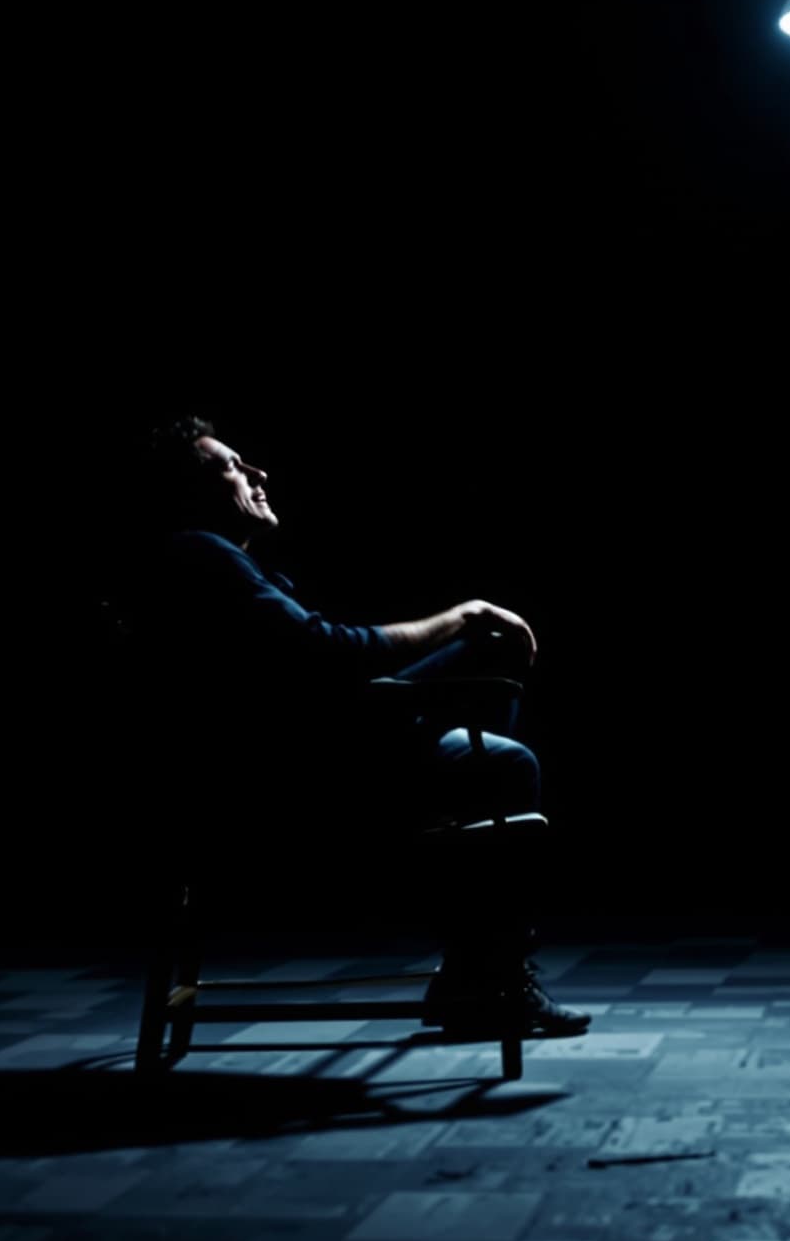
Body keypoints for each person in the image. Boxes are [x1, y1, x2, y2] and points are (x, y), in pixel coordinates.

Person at [117, 415, 589, 1039]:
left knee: (490, 664)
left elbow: (319, 667)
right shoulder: (198, 554)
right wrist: (463, 612)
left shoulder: (216, 563)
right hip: (282, 777)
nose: (256, 474)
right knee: (503, 755)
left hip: (302, 746)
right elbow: (333, 651)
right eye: (229, 465)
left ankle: (475, 950)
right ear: (188, 491)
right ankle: (480, 957)